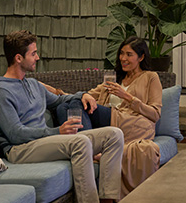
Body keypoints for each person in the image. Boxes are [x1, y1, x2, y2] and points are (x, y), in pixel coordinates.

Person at [0, 30, 123, 203]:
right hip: (20, 149)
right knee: (80, 142)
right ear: (18, 58)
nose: (38, 57)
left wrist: (82, 95)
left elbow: (59, 100)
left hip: (41, 143)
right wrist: (57, 131)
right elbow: (15, 133)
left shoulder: (33, 84)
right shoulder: (0, 91)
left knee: (114, 135)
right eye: (33, 53)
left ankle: (107, 199)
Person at [57, 36, 163, 199]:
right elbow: (87, 95)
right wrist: (58, 93)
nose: (123, 58)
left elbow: (155, 113)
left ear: (141, 57)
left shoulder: (150, 77)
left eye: (129, 54)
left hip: (131, 123)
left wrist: (127, 97)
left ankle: (86, 149)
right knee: (64, 105)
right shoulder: (115, 79)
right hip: (110, 122)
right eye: (121, 53)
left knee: (76, 102)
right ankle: (88, 148)